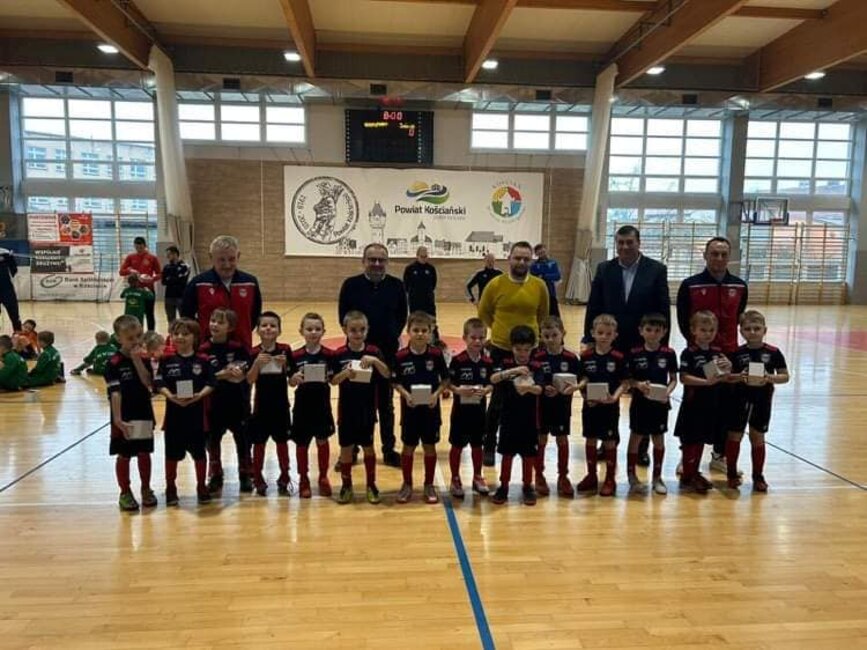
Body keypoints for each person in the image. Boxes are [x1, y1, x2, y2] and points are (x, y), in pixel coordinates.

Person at [583, 226, 670, 467]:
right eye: (620, 242)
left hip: (645, 342)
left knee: (643, 394)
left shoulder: (656, 270)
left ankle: (642, 446)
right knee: (610, 391)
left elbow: (663, 308)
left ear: (639, 242)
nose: (624, 247)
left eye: (629, 242)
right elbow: (594, 306)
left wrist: (661, 344)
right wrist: (589, 338)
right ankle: (607, 440)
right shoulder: (604, 269)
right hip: (611, 341)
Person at [676, 237, 748, 473]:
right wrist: (699, 349)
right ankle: (687, 455)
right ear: (705, 255)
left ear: (729, 257)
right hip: (700, 357)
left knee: (725, 406)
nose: (719, 258)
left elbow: (739, 316)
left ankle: (719, 454)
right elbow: (683, 321)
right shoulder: (690, 285)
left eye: (723, 254)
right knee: (693, 408)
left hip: (728, 355)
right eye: (714, 253)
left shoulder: (739, 286)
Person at [477, 241, 549, 466]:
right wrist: (500, 331)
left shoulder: (539, 286)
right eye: (517, 258)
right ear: (509, 258)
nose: (521, 262)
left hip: (530, 351)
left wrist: (529, 340)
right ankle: (489, 445)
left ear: (531, 261)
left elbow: (543, 314)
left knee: (527, 399)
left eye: (526, 259)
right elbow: (484, 312)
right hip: (501, 349)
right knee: (498, 400)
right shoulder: (495, 284)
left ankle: (526, 443)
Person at [338, 243, 408, 468]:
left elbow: (402, 316)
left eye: (381, 260)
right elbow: (343, 316)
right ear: (363, 261)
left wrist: (390, 335)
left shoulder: (397, 285)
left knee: (386, 404)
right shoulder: (351, 285)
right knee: (355, 403)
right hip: (357, 352)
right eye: (372, 259)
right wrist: (358, 343)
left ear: (387, 262)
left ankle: (389, 449)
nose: (377, 264)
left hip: (386, 354)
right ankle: (352, 449)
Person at [725, 310, 789, 493]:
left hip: (762, 400)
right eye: (747, 329)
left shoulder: (773, 352)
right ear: (741, 331)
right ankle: (731, 474)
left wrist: (769, 378)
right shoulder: (736, 353)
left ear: (764, 330)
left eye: (756, 328)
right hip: (739, 400)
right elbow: (727, 377)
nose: (752, 332)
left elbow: (785, 376)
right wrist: (740, 376)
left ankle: (758, 476)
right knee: (734, 436)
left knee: (758, 437)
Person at [331, 310, 390, 505]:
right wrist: (345, 374)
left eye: (362, 330)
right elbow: (333, 380)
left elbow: (387, 374)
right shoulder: (339, 354)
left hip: (367, 410)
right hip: (346, 410)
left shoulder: (373, 351)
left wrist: (375, 361)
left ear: (367, 330)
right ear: (345, 330)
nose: (358, 334)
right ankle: (346, 486)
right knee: (346, 450)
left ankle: (371, 485)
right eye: (353, 330)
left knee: (368, 448)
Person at [156, 318, 216, 506]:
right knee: (171, 454)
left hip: (196, 416)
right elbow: (159, 382)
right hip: (174, 416)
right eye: (176, 334)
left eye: (185, 334)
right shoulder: (166, 360)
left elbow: (211, 383)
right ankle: (171, 488)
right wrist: (171, 396)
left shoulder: (203, 360)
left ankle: (201, 486)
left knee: (199, 453)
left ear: (195, 337)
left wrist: (199, 396)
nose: (180, 337)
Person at [391, 311, 449, 505]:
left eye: (424, 330)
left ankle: (429, 484)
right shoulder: (400, 356)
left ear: (430, 332)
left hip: (431, 411)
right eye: (416, 330)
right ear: (408, 331)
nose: (420, 334)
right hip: (410, 412)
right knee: (408, 447)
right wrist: (406, 395)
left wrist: (436, 395)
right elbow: (395, 381)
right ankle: (407, 484)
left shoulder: (436, 354)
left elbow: (446, 380)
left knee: (429, 447)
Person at [673, 310, 732, 494]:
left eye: (712, 330)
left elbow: (724, 377)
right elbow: (684, 377)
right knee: (690, 440)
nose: (708, 334)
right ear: (693, 330)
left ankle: (694, 472)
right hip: (693, 404)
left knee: (701, 440)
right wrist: (705, 382)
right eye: (703, 330)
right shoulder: (688, 353)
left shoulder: (717, 353)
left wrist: (728, 369)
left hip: (711, 404)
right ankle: (687, 475)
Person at [105, 315, 156, 512]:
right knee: (124, 454)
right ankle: (125, 492)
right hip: (124, 416)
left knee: (144, 452)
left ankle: (146, 488)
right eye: (130, 338)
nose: (136, 341)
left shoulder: (144, 358)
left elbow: (148, 383)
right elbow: (115, 393)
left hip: (143, 410)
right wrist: (118, 419)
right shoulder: (113, 363)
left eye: (138, 336)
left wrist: (137, 361)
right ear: (118, 339)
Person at [199, 307, 253, 495]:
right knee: (213, 441)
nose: (214, 325)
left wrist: (231, 373)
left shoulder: (238, 348)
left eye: (220, 322)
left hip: (238, 402)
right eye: (212, 321)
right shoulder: (203, 349)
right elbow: (204, 376)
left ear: (230, 327)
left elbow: (244, 370)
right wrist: (223, 374)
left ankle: (245, 474)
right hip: (214, 404)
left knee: (243, 440)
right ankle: (216, 475)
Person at [489, 325, 545, 506]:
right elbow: (493, 379)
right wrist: (513, 371)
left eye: (526, 350)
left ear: (532, 348)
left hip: (529, 419)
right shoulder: (505, 363)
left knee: (528, 455)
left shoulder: (536, 366)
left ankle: (528, 486)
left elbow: (540, 389)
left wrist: (527, 387)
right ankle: (503, 486)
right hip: (508, 418)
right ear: (512, 347)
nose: (522, 353)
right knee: (507, 454)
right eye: (518, 349)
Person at [575, 314, 629, 497]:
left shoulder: (618, 357)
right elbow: (581, 380)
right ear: (592, 333)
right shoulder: (585, 357)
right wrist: (585, 396)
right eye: (600, 333)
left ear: (615, 335)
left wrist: (614, 397)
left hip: (610, 407)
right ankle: (591, 476)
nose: (604, 336)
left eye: (608, 333)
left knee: (609, 441)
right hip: (590, 407)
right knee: (590, 438)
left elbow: (625, 383)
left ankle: (610, 479)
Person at [626, 313, 678, 495]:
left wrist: (667, 392)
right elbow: (628, 380)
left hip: (660, 403)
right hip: (640, 403)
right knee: (636, 437)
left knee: (659, 439)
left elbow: (673, 379)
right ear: (641, 331)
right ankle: (632, 476)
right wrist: (638, 385)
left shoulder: (669, 353)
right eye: (649, 330)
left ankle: (657, 477)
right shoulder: (634, 353)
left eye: (657, 330)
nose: (653, 334)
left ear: (664, 332)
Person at [182, 235, 263, 350]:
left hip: (242, 348)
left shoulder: (250, 283)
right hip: (207, 350)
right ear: (211, 257)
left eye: (232, 259)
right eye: (221, 260)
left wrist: (241, 331)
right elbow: (187, 317)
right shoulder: (197, 284)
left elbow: (255, 315)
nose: (227, 265)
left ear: (238, 256)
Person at [246, 311, 294, 497]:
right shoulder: (253, 352)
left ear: (279, 330)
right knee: (259, 444)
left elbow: (292, 379)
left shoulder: (285, 350)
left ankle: (284, 477)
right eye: (264, 325)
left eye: (273, 325)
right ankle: (258, 478)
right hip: (261, 408)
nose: (268, 328)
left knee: (282, 443)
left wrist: (286, 366)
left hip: (281, 407)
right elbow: (249, 380)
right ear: (257, 330)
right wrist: (256, 364)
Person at [289, 313, 336, 499]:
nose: (313, 332)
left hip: (322, 406)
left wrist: (330, 377)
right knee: (302, 443)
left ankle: (323, 477)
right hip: (302, 407)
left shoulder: (329, 355)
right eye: (309, 329)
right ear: (301, 331)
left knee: (322, 440)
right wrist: (294, 378)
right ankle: (303, 479)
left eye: (317, 329)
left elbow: (334, 379)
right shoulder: (295, 356)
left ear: (324, 331)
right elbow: (291, 382)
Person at [534, 316, 581, 498]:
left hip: (562, 407)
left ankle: (563, 476)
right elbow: (534, 379)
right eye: (546, 336)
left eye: (554, 335)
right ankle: (539, 475)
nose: (551, 339)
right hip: (543, 406)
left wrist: (573, 388)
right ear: (541, 337)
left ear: (563, 334)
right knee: (541, 439)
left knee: (562, 439)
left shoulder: (571, 358)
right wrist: (544, 387)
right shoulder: (538, 358)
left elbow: (580, 380)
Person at [447, 318, 494, 498]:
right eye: (473, 338)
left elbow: (491, 383)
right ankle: (455, 478)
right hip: (460, 412)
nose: (477, 341)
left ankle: (477, 476)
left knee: (477, 445)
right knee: (457, 446)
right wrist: (458, 390)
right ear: (464, 338)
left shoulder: (487, 362)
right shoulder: (458, 361)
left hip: (479, 412)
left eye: (481, 338)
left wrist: (486, 390)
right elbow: (448, 383)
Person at [120, 237, 161, 332]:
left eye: (140, 247)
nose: (138, 249)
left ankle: (151, 333)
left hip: (148, 290)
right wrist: (130, 270)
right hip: (134, 291)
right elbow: (121, 271)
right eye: (136, 247)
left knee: (150, 314)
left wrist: (152, 279)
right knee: (135, 315)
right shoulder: (131, 257)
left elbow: (160, 274)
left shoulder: (152, 258)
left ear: (145, 246)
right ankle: (136, 333)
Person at [530, 244, 562, 317]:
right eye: (539, 252)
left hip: (550, 291)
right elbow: (533, 277)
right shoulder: (534, 265)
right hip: (538, 292)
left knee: (554, 314)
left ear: (546, 251)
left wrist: (544, 276)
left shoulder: (553, 263)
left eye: (543, 251)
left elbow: (557, 276)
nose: (542, 254)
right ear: (536, 254)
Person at [161, 245, 190, 325]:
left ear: (175, 254)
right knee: (170, 319)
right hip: (169, 296)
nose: (167, 256)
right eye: (167, 254)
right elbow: (163, 281)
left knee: (184, 318)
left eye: (169, 254)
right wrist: (175, 278)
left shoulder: (185, 266)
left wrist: (170, 279)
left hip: (181, 296)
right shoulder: (166, 267)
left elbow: (182, 281)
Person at [0, 246, 21, 332]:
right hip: (7, 289)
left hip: (7, 289)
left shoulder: (4, 252)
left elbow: (14, 270)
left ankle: (18, 335)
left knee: (14, 315)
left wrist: (10, 258)